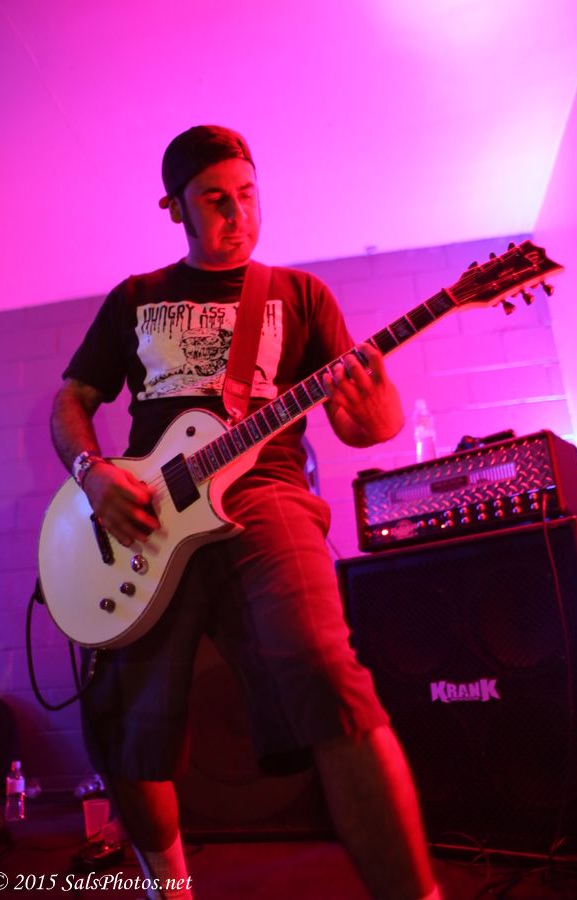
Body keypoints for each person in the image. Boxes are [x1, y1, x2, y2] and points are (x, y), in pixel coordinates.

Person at [50, 125, 440, 900]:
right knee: (123, 717)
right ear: (175, 208)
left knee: (326, 670)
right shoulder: (136, 297)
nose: (239, 214)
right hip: (149, 514)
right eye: (215, 200)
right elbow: (71, 400)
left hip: (268, 493)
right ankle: (168, 887)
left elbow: (365, 424)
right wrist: (93, 476)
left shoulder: (299, 295)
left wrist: (378, 405)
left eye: (248, 194)